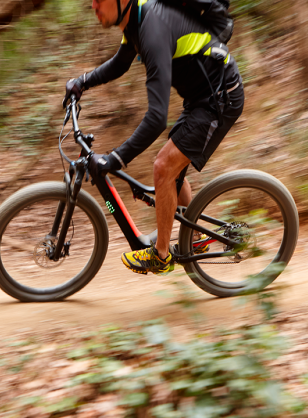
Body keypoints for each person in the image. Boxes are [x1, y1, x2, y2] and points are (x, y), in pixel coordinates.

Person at [63, 0, 244, 275]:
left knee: (163, 166)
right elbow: (120, 63)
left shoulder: (152, 29)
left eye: (100, 0)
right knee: (172, 168)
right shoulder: (136, 23)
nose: (93, 5)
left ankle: (161, 257)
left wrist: (116, 158)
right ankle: (194, 239)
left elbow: (157, 117)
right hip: (200, 99)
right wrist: (82, 82)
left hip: (220, 98)